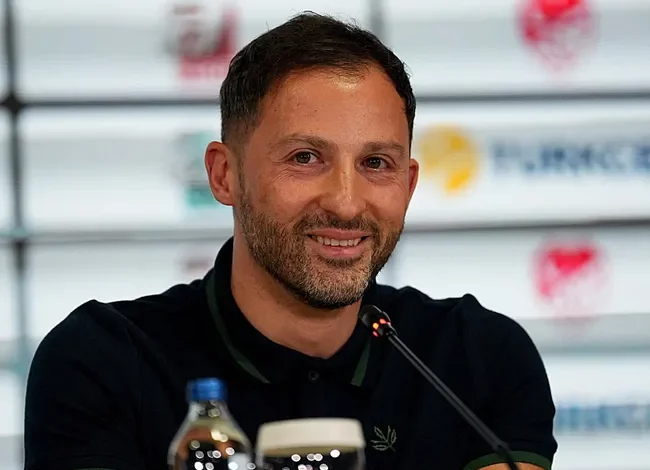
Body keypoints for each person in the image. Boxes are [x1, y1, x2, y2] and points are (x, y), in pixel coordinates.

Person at [24, 12, 557, 470]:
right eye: (305, 158)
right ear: (224, 175)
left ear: (410, 183)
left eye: (376, 163)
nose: (346, 203)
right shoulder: (103, 360)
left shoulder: (477, 356)